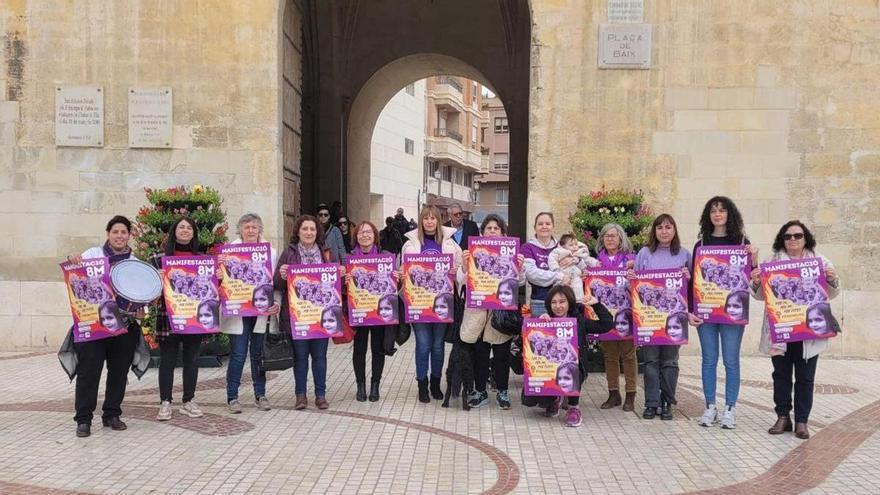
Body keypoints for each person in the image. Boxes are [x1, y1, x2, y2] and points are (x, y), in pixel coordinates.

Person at [750, 220, 840, 440]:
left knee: (805, 377)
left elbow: (832, 292)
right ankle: (783, 416)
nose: (792, 240)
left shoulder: (819, 261)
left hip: (808, 331)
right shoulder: (772, 261)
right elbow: (760, 295)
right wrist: (756, 282)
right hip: (781, 329)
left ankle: (801, 420)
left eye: (797, 236)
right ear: (782, 239)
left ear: (805, 238)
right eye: (788, 236)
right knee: (780, 375)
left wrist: (832, 278)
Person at [65, 215, 146, 438]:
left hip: (125, 326)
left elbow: (141, 295)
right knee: (89, 372)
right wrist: (73, 260)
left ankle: (112, 413)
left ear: (129, 235)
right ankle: (83, 419)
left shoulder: (136, 263)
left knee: (119, 371)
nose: (119, 236)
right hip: (94, 325)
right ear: (108, 233)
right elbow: (75, 273)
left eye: (124, 232)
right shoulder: (93, 255)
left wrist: (141, 310)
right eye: (115, 232)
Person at [693, 196, 759, 430]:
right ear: (707, 216)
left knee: (731, 361)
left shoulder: (742, 242)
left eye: (722, 210)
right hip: (707, 313)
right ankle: (710, 406)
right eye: (713, 211)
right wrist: (692, 311)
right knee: (709, 360)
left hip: (732, 312)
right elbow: (695, 280)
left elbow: (752, 278)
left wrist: (755, 259)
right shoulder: (701, 244)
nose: (718, 214)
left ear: (730, 214)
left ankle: (730, 408)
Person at [629, 214, 702, 421]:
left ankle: (668, 401)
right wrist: (631, 279)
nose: (664, 231)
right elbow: (635, 288)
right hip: (650, 318)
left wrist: (688, 282)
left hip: (675, 318)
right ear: (654, 231)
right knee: (651, 361)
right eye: (660, 227)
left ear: (674, 230)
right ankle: (651, 403)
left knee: (670, 362)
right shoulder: (644, 253)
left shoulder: (684, 254)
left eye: (668, 227)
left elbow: (694, 288)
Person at [458, 214, 525, 410]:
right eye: (489, 228)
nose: (493, 231)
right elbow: (461, 282)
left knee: (502, 354)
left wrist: (519, 268)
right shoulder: (473, 253)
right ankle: (480, 391)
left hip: (500, 314)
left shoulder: (510, 254)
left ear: (503, 233)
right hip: (478, 312)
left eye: (497, 228)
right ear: (483, 232)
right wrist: (464, 265)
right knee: (480, 353)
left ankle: (503, 392)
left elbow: (518, 283)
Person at [275, 214, 337, 410]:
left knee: (320, 357)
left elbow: (335, 283)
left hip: (321, 316)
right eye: (305, 229)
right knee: (300, 357)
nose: (309, 232)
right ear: (298, 232)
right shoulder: (288, 254)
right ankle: (300, 395)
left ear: (317, 232)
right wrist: (282, 275)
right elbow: (277, 284)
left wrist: (341, 274)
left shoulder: (326, 253)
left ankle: (321, 395)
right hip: (297, 316)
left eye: (312, 229)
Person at [401, 205, 463, 403]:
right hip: (418, 303)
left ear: (438, 221)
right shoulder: (410, 244)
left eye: (433, 218)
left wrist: (456, 273)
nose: (429, 222)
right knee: (423, 344)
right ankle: (422, 384)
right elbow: (402, 271)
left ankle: (435, 383)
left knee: (437, 346)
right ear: (421, 221)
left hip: (442, 303)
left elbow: (462, 270)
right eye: (426, 218)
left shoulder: (450, 244)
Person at [221, 213, 281, 414]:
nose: (250, 231)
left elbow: (275, 284)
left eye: (254, 227)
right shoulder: (229, 253)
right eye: (246, 227)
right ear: (240, 230)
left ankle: (260, 394)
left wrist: (276, 304)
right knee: (238, 355)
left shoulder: (270, 253)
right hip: (238, 312)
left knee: (257, 354)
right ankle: (232, 397)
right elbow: (223, 282)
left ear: (259, 230)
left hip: (260, 311)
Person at [151, 217, 207, 422]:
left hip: (193, 317)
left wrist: (219, 274)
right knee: (168, 360)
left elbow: (209, 288)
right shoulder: (158, 258)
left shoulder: (201, 259)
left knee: (192, 359)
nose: (185, 230)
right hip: (168, 316)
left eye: (189, 227)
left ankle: (188, 400)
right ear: (174, 231)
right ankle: (165, 401)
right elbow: (149, 291)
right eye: (181, 227)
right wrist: (156, 277)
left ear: (194, 233)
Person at [535, 285, 614, 427]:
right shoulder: (546, 321)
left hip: (575, 368)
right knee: (531, 399)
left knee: (572, 370)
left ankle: (573, 407)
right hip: (551, 368)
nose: (558, 306)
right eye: (554, 302)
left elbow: (607, 324)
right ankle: (554, 398)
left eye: (562, 302)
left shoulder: (579, 321)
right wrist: (539, 323)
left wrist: (596, 304)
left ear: (570, 303)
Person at [345, 220, 399, 402]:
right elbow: (342, 289)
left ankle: (375, 384)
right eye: (361, 232)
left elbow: (393, 287)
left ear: (375, 236)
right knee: (359, 349)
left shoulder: (386, 257)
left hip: (379, 311)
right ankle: (360, 385)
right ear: (356, 237)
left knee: (378, 349)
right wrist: (344, 280)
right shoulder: (349, 259)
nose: (365, 235)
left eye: (368, 232)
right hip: (359, 310)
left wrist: (396, 278)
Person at [593, 223, 638, 412]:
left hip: (626, 314)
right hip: (606, 316)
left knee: (629, 355)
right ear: (602, 239)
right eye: (606, 235)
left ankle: (631, 394)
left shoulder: (631, 259)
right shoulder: (596, 262)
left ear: (621, 238)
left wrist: (633, 274)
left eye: (614, 235)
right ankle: (613, 394)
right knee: (609, 356)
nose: (610, 238)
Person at [522, 212, 572, 318]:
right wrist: (559, 276)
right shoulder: (528, 247)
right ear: (535, 227)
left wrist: (574, 259)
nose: (544, 226)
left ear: (553, 226)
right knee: (541, 334)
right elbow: (532, 274)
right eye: (540, 224)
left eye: (548, 223)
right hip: (539, 302)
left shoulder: (562, 246)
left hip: (563, 302)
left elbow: (581, 256)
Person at [548, 233, 598, 300]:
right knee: (562, 294)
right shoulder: (558, 251)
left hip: (576, 277)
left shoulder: (579, 254)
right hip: (562, 277)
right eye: (571, 245)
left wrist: (585, 269)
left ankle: (578, 301)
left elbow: (584, 263)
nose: (574, 247)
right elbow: (552, 260)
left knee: (578, 291)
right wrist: (556, 270)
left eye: (576, 244)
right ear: (563, 246)